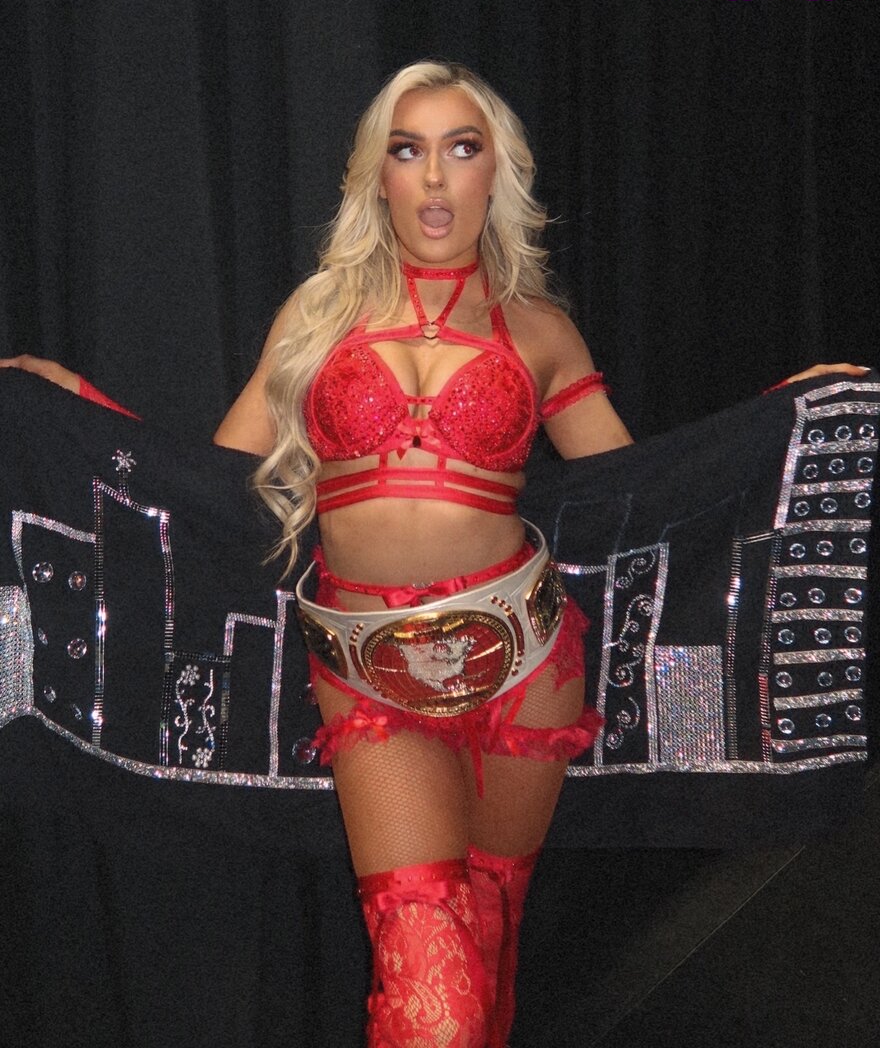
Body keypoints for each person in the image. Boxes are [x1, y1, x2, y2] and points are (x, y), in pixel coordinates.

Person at [1, 60, 868, 1048]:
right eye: (408, 150)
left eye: (462, 148)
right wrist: (76, 408)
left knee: (487, 949)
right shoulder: (316, 319)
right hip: (369, 675)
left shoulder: (541, 331)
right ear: (379, 176)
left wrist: (779, 419)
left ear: (497, 172)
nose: (436, 176)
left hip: (526, 662)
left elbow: (641, 495)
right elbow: (209, 483)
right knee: (432, 991)